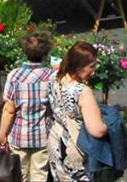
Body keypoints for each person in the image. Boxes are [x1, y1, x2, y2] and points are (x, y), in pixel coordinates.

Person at [0, 29, 55, 182]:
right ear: (46, 53)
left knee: (20, 174)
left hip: (19, 135)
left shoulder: (15, 75)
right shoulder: (51, 76)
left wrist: (2, 134)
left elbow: (9, 110)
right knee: (40, 174)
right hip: (43, 135)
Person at [47, 41, 109, 182]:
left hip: (55, 142)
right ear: (78, 67)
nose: (94, 71)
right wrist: (108, 125)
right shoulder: (81, 91)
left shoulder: (54, 78)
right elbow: (96, 130)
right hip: (74, 148)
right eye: (91, 67)